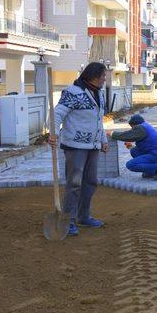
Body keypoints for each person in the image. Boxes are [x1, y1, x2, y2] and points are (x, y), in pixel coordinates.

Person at [49, 62, 109, 237]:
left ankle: (84, 216)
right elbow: (57, 113)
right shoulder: (72, 92)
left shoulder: (98, 94)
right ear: (93, 76)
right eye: (103, 75)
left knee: (90, 181)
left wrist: (103, 140)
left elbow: (99, 120)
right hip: (75, 146)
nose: (105, 78)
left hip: (93, 146)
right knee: (74, 184)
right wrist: (53, 133)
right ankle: (69, 221)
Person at [107, 114, 157, 180]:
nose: (132, 129)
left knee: (130, 165)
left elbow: (126, 135)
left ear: (135, 124)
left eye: (132, 127)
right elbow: (148, 145)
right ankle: (151, 172)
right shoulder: (146, 126)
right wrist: (131, 146)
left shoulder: (140, 128)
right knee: (134, 151)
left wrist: (112, 133)